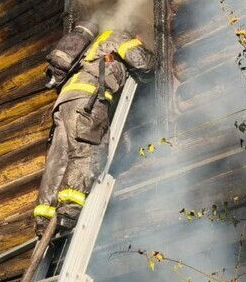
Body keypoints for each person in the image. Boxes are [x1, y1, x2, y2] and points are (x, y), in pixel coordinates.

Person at [33, 24, 155, 235]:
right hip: (87, 101)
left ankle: (44, 219)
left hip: (64, 104)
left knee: (59, 160)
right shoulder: (119, 35)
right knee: (87, 151)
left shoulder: (91, 47)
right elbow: (142, 63)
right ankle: (68, 211)